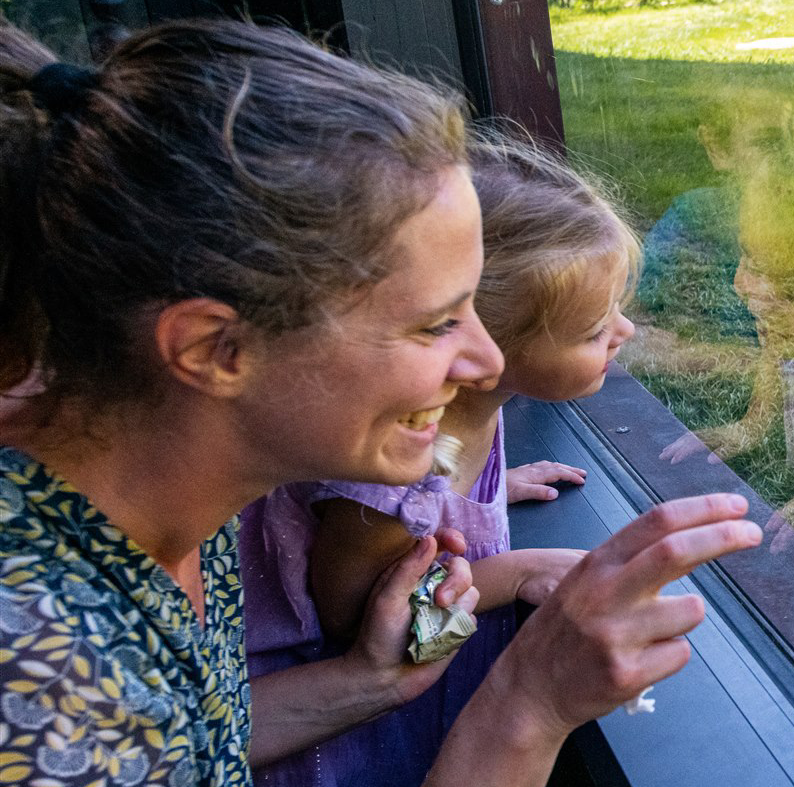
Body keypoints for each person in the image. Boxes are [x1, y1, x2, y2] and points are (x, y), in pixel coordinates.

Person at [0, 16, 794, 787]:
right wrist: (527, 703)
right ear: (212, 349)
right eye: (434, 324)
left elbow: (204, 739)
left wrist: (363, 681)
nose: (486, 356)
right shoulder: (47, 692)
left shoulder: (159, 508)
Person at [240, 132, 637, 787]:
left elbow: (431, 519)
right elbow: (367, 630)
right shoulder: (389, 475)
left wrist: (485, 493)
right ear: (481, 347)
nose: (623, 332)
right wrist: (515, 573)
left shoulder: (470, 411)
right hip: (341, 746)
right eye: (594, 329)